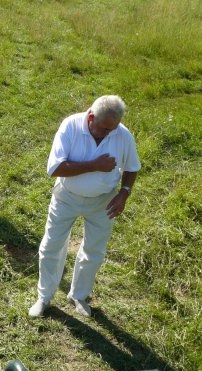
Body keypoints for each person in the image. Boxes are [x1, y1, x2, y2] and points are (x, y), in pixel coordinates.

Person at [28, 95, 141, 318]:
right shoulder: (70, 126)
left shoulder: (121, 134)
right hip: (66, 197)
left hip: (103, 201)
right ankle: (44, 297)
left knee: (94, 250)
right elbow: (55, 168)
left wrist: (124, 193)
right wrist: (94, 165)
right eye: (104, 128)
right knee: (51, 246)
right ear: (91, 117)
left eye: (112, 128)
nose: (109, 133)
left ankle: (79, 295)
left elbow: (132, 167)